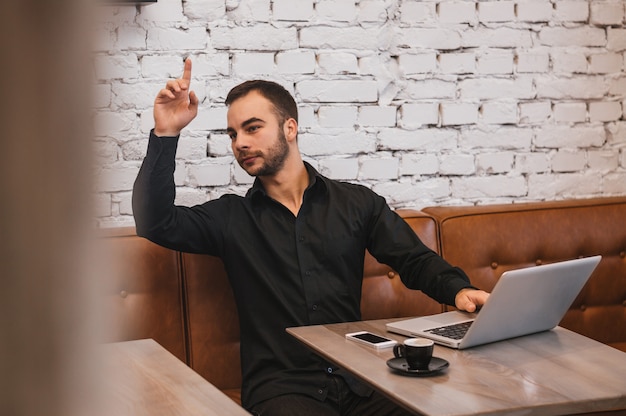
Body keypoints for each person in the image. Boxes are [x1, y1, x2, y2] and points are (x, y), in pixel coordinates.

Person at [132, 58, 489, 416]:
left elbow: (413, 259)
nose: (240, 143)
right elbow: (155, 222)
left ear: (290, 128)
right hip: (283, 390)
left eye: (252, 128)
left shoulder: (357, 203)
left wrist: (458, 289)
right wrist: (166, 133)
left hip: (362, 380)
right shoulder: (230, 217)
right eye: (233, 134)